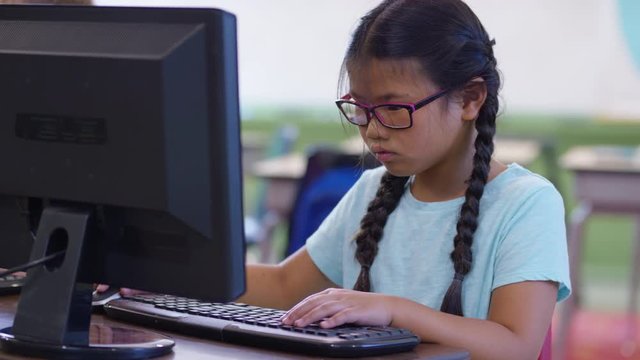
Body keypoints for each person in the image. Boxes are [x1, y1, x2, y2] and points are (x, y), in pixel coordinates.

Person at [102, 1, 570, 358]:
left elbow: (516, 345)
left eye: (393, 108)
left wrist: (393, 310)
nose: (373, 129)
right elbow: (287, 287)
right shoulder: (373, 190)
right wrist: (166, 277)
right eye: (360, 108)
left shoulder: (525, 203)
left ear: (470, 98)